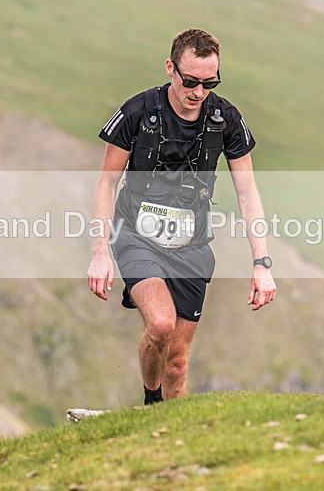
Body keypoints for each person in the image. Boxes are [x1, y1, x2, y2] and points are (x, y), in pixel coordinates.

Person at [87, 28, 276, 405]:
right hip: (136, 236)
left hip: (191, 245)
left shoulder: (226, 119)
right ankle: (151, 403)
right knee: (160, 323)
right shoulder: (138, 112)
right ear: (170, 68)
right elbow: (107, 184)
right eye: (190, 81)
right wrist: (100, 251)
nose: (198, 92)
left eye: (209, 83)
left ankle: (171, 438)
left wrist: (262, 262)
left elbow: (247, 191)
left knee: (176, 361)